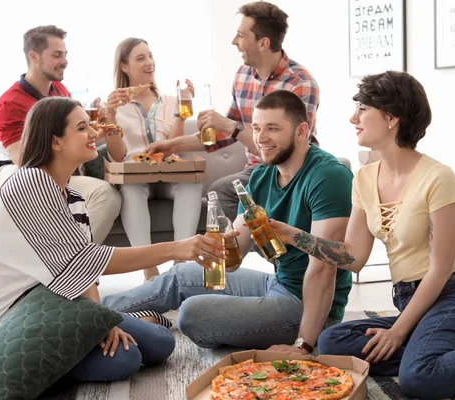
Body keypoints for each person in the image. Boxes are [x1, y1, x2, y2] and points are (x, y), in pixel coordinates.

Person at [267, 71, 455, 399]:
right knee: (332, 342)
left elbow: (440, 268)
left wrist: (399, 331)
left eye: (362, 109)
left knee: (418, 378)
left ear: (390, 117)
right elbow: (353, 258)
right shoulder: (364, 179)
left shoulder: (438, 178)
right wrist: (293, 235)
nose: (352, 118)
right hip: (409, 302)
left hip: (453, 298)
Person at [0, 97, 225, 381]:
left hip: (55, 306)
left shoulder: (73, 197)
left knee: (161, 343)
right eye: (83, 128)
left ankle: (132, 318)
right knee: (124, 358)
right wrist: (177, 249)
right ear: (55, 141)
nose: (95, 134)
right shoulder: (32, 183)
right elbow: (89, 260)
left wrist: (99, 321)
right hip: (15, 321)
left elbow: (85, 272)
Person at [102, 90, 353, 354]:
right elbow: (233, 258)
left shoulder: (328, 175)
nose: (261, 138)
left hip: (309, 308)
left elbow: (326, 269)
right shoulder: (261, 176)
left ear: (302, 131)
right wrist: (216, 246)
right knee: (179, 276)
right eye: (256, 128)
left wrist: (304, 345)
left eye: (273, 128)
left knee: (192, 314)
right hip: (278, 284)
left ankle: (139, 322)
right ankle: (92, 312)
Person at [147, 1, 319, 221]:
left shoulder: (300, 84)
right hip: (259, 170)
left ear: (263, 43)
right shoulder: (243, 75)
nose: (233, 42)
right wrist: (173, 145)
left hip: (295, 171)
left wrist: (230, 126)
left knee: (224, 193)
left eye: (240, 35)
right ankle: (270, 248)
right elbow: (225, 133)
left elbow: (291, 150)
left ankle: (276, 251)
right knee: (220, 193)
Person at [0, 25, 121, 244]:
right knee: (102, 194)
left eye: (65, 54)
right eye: (57, 55)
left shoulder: (59, 91)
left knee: (104, 193)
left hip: (54, 167)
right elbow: (26, 161)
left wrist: (90, 133)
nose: (65, 60)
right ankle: (72, 262)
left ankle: (73, 262)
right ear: (34, 56)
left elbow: (68, 138)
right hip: (16, 170)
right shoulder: (10, 103)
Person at [102, 37, 203, 282]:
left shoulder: (170, 101)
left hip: (170, 174)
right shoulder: (114, 104)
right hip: (136, 177)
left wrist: (182, 110)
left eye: (150, 56)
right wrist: (111, 116)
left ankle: (182, 264)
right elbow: (117, 155)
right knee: (131, 189)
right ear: (124, 66)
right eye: (140, 58)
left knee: (192, 185)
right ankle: (149, 270)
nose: (149, 63)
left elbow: (175, 147)